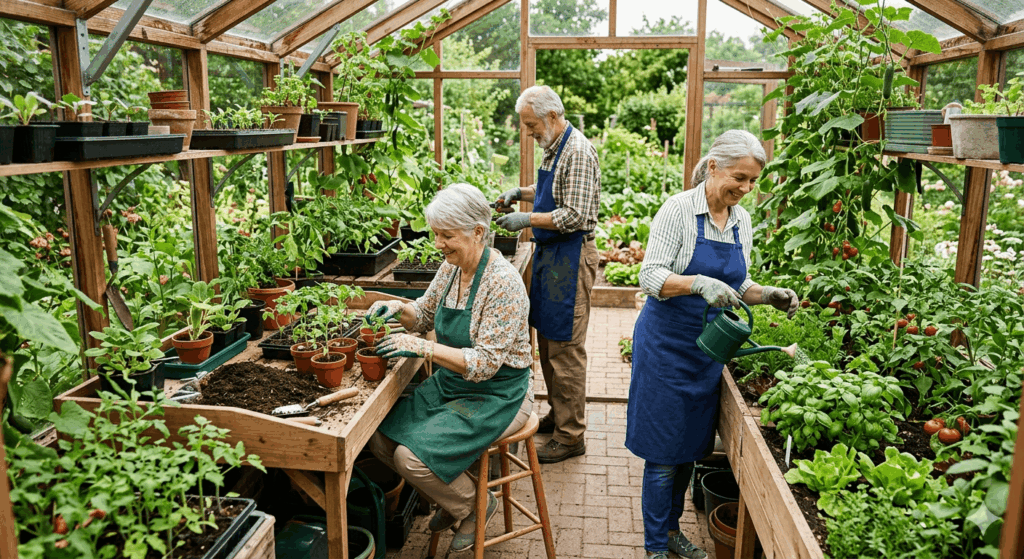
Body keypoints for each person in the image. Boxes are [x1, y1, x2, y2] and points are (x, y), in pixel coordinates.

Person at [625, 130, 799, 559]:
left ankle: (670, 535)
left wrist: (769, 293)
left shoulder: (741, 220)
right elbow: (650, 277)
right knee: (663, 454)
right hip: (666, 346)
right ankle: (654, 547)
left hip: (707, 352)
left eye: (754, 181)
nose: (746, 188)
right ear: (714, 166)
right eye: (740, 177)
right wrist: (697, 282)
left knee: (688, 450)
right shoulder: (679, 210)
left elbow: (738, 284)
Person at [366, 183, 534, 553]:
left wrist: (424, 347)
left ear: (478, 232)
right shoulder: (451, 269)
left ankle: (474, 505)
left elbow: (486, 364)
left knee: (409, 458)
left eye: (447, 235)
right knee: (379, 438)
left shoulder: (502, 283)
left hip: (499, 393)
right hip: (455, 385)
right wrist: (396, 307)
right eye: (436, 234)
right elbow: (423, 313)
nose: (438, 244)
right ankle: (454, 500)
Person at [493, 85, 601, 464]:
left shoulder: (578, 151)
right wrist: (519, 194)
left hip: (570, 257)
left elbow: (575, 215)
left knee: (566, 350)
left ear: (552, 117)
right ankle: (559, 415)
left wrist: (525, 219)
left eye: (531, 124)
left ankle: (572, 436)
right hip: (553, 257)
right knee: (549, 343)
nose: (528, 132)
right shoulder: (556, 149)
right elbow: (550, 190)